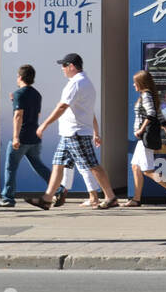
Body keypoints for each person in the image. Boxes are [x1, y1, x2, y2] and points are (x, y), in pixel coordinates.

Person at [24, 54, 119, 210]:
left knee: (92, 165)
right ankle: (47, 199)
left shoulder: (76, 83)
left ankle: (110, 197)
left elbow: (62, 106)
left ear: (72, 66)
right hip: (70, 133)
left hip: (76, 133)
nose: (62, 69)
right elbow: (87, 111)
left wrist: (44, 125)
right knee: (58, 164)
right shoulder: (84, 82)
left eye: (64, 66)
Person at [0, 64, 63, 208]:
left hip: (22, 137)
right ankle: (59, 189)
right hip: (34, 135)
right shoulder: (36, 94)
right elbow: (36, 114)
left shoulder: (19, 94)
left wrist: (15, 137)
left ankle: (8, 198)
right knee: (39, 166)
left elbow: (18, 115)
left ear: (19, 77)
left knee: (10, 167)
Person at [124, 70, 166, 208]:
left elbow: (151, 115)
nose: (133, 85)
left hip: (144, 137)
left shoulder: (145, 96)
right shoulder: (149, 96)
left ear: (141, 83)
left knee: (147, 170)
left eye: (135, 82)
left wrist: (141, 129)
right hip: (142, 139)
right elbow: (160, 117)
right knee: (135, 167)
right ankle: (136, 199)